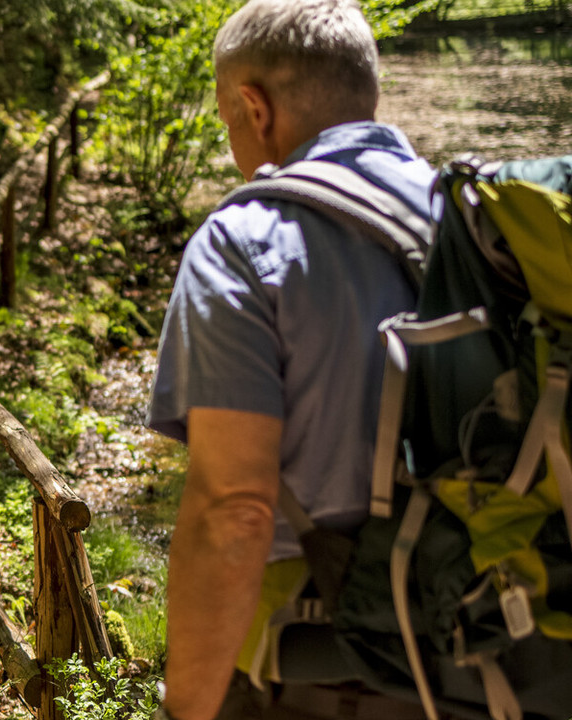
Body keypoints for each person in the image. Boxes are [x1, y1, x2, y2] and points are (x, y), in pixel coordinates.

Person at [144, 1, 439, 719]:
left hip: (316, 669)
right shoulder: (476, 217)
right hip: (491, 649)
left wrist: (186, 709)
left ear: (254, 105)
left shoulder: (243, 241)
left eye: (225, 120)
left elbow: (235, 512)